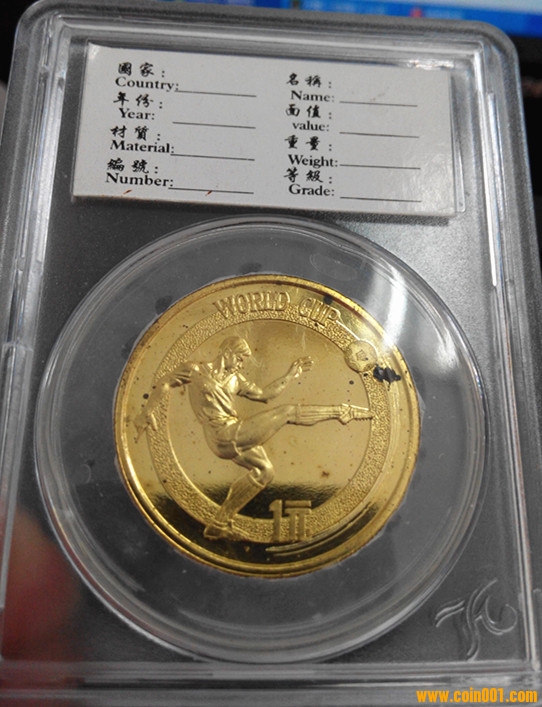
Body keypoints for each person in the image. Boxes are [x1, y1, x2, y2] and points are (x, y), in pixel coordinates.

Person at [135, 336, 372, 540]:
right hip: (220, 434)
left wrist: (290, 375)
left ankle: (219, 523)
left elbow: (265, 394)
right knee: (287, 412)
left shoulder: (235, 380)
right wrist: (147, 411)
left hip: (233, 431)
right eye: (239, 359)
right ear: (228, 353)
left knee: (264, 472)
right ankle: (341, 412)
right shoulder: (196, 371)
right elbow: (165, 381)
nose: (241, 364)